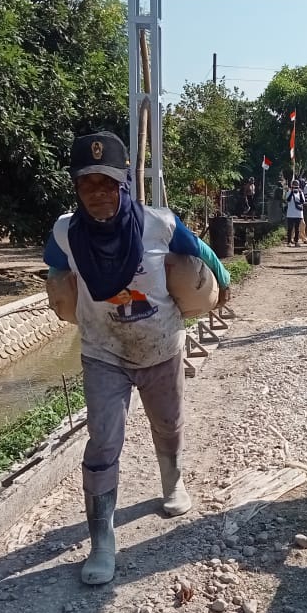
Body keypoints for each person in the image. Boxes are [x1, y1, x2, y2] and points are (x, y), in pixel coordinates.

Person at [43, 131, 232, 585]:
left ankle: (172, 483)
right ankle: (102, 542)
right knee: (104, 441)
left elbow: (201, 252)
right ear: (76, 188)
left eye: (107, 183)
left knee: (168, 424)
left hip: (161, 347)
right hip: (102, 352)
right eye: (88, 184)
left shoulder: (159, 224)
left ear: (124, 183)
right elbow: (53, 271)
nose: (98, 194)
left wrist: (223, 283)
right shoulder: (66, 232)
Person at [285, 178, 306, 246]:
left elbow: (303, 201)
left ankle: (296, 241)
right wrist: (291, 192)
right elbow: (287, 200)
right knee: (290, 228)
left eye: (297, 186)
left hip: (298, 214)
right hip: (290, 214)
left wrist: (299, 193)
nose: (295, 187)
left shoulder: (300, 192)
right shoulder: (289, 192)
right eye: (294, 185)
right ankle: (288, 242)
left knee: (297, 229)